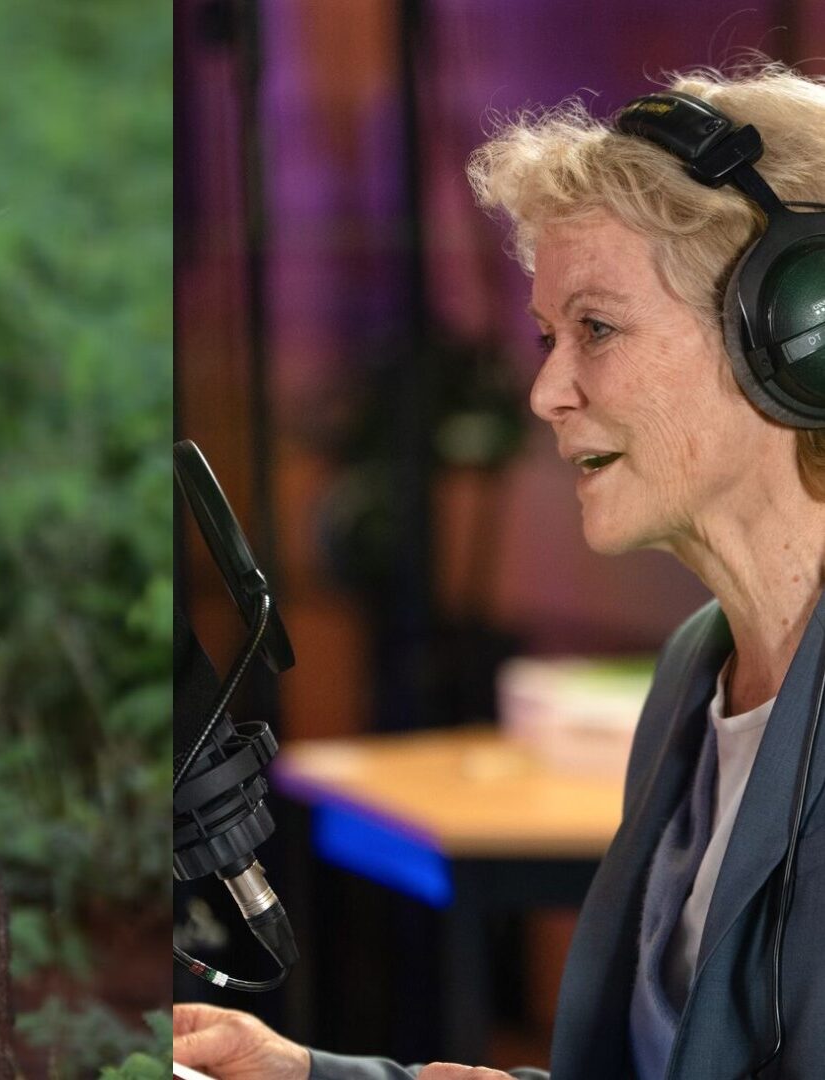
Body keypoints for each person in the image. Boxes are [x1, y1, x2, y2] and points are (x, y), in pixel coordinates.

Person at [174, 63, 825, 1079]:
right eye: (542, 336)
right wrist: (308, 1076)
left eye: (594, 329)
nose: (542, 391)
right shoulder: (696, 671)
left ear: (795, 333)